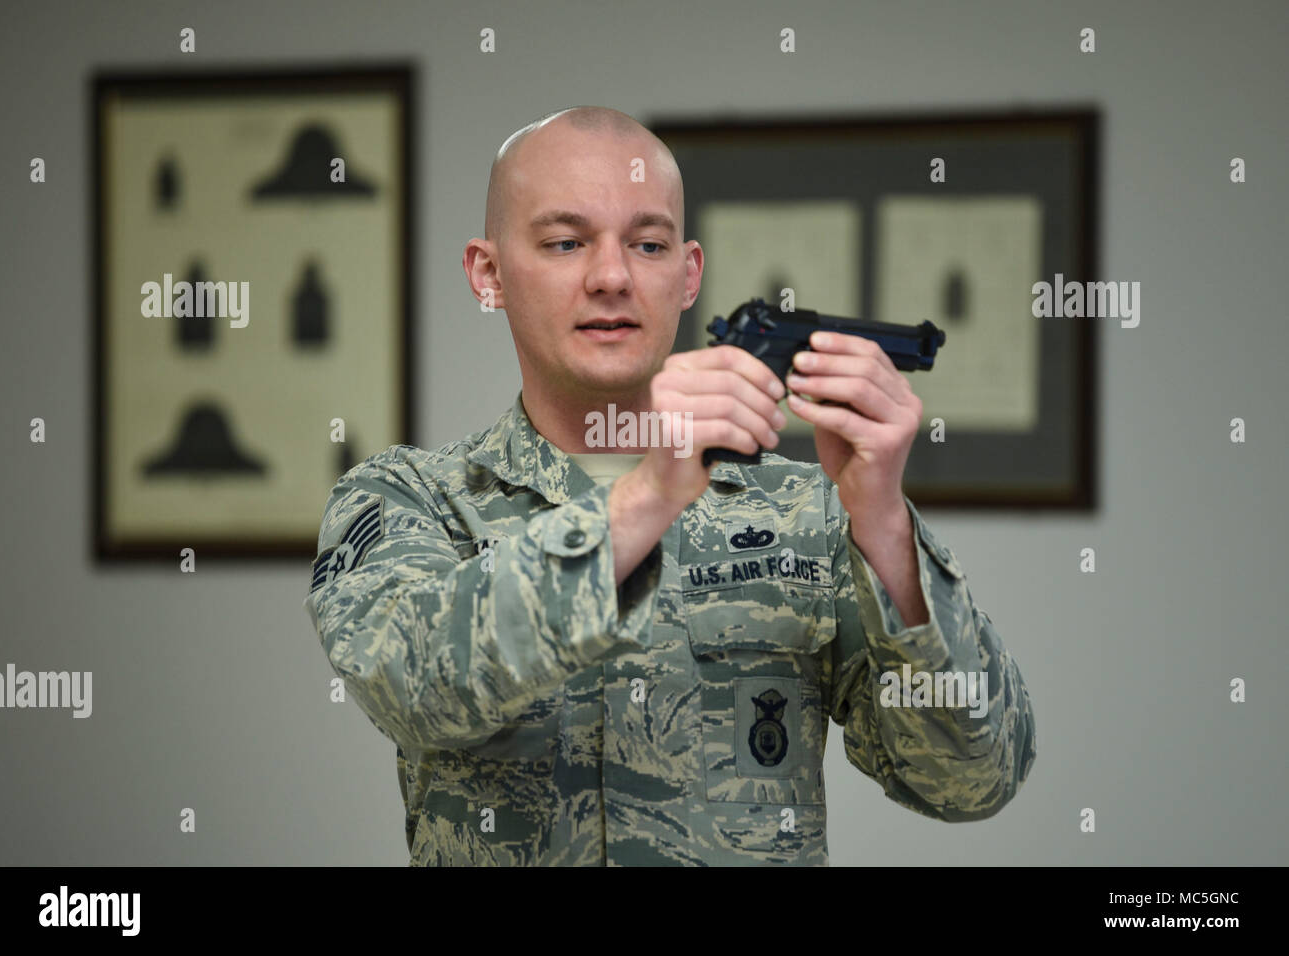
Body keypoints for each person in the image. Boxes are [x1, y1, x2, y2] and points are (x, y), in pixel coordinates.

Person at [303, 106, 1036, 866]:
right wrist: (649, 491)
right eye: (565, 242)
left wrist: (882, 522)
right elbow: (415, 686)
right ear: (488, 275)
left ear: (687, 276)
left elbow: (974, 780)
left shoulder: (811, 511)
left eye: (647, 245)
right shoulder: (406, 498)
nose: (612, 277)